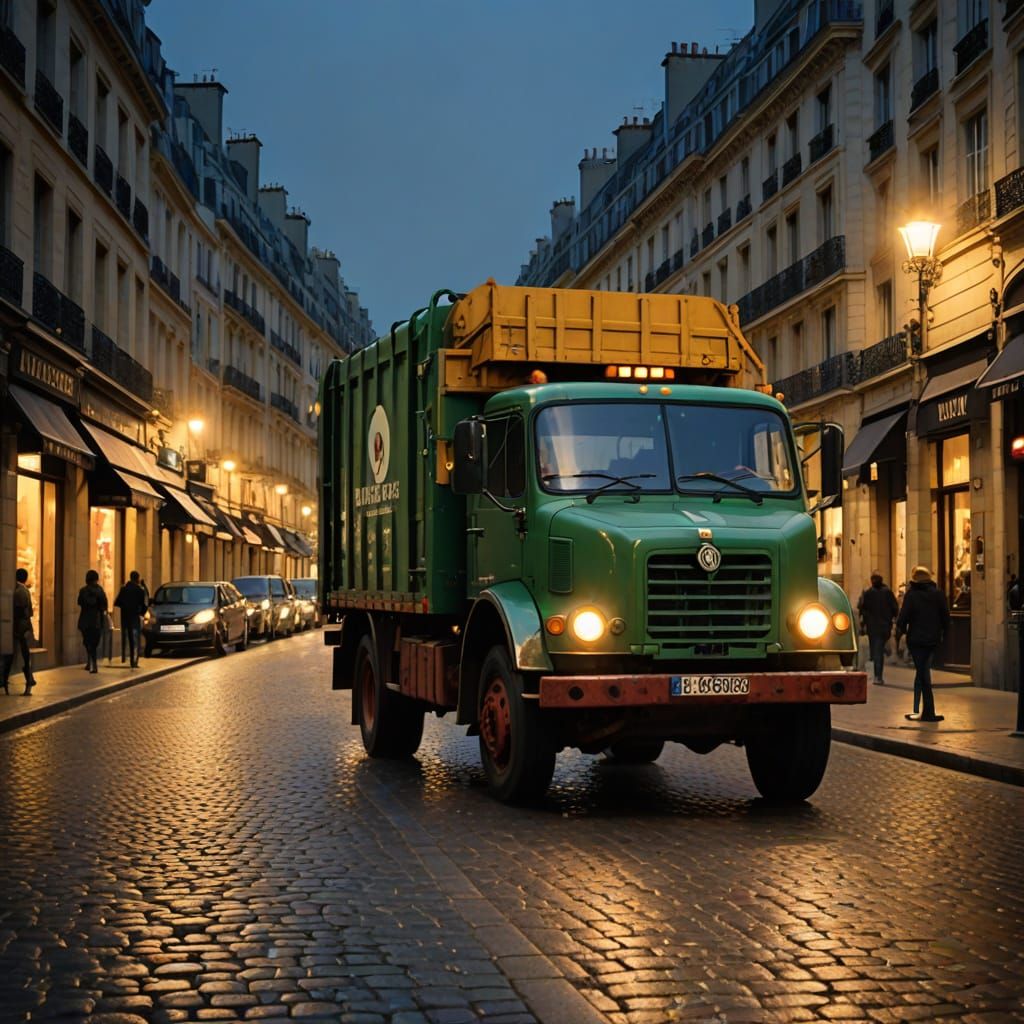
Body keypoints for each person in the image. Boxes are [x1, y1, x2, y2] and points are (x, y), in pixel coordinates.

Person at [895, 565, 950, 723]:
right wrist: (944, 635)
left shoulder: (912, 595)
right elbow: (946, 618)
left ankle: (927, 712)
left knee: (923, 673)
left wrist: (901, 631)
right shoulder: (938, 594)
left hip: (916, 641)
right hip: (932, 640)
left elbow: (903, 617)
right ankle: (925, 711)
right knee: (923, 673)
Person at [857, 571, 899, 685]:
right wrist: (893, 619)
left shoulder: (868, 593)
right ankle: (878, 674)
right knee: (878, 649)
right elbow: (895, 608)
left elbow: (862, 609)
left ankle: (877, 675)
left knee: (877, 649)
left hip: (873, 627)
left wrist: (863, 624)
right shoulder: (887, 592)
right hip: (884, 626)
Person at [2, 568, 38, 696]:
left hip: (21, 628)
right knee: (23, 655)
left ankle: (27, 680)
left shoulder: (19, 591)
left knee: (20, 655)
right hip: (24, 627)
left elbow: (20, 611)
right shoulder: (24, 590)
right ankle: (28, 680)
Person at [114, 570, 148, 668]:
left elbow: (117, 602)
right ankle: (134, 661)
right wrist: (141, 613)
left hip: (125, 618)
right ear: (137, 579)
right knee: (135, 640)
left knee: (126, 638)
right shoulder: (140, 590)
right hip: (134, 618)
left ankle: (125, 658)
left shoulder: (124, 589)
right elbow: (144, 604)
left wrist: (125, 606)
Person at [77, 569, 108, 674]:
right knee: (94, 643)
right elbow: (104, 605)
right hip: (96, 620)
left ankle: (91, 662)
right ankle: (92, 663)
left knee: (87, 642)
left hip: (85, 620)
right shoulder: (100, 591)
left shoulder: (83, 590)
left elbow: (79, 602)